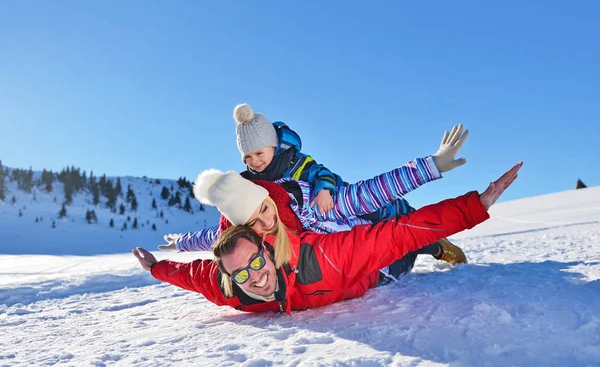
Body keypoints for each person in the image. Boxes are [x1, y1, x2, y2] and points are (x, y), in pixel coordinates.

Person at [134, 162, 523, 314]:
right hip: (348, 244)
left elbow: (392, 234)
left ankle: (434, 246)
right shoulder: (232, 285)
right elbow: (197, 273)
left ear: (266, 251)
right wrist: (159, 267)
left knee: (402, 239)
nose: (255, 277)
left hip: (376, 267)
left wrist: (473, 204)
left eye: (256, 263)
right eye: (241, 273)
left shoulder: (315, 256)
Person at [160, 123, 470, 266]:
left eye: (259, 153)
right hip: (345, 245)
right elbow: (220, 236)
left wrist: (432, 165)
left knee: (398, 227)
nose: (255, 161)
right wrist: (182, 242)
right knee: (385, 247)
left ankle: (434, 245)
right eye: (247, 158)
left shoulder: (295, 165)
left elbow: (335, 180)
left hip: (335, 202)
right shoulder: (252, 191)